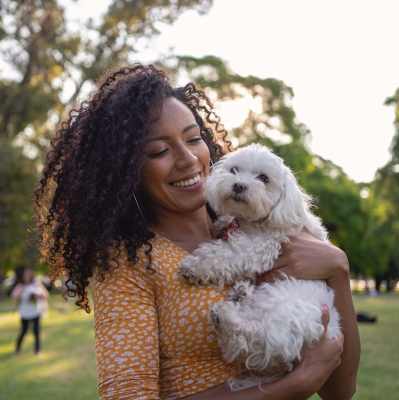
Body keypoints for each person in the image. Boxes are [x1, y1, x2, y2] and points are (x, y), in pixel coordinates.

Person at [34, 65, 360, 399]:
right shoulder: (127, 267)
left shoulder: (260, 230)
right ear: (127, 173)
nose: (188, 159)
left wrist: (337, 269)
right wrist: (292, 386)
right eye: (160, 151)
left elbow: (340, 392)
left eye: (194, 139)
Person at [11, 267, 48, 354]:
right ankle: (17, 348)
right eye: (26, 274)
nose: (27, 276)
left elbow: (45, 295)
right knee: (24, 331)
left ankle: (37, 350)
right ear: (23, 275)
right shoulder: (20, 286)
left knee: (36, 331)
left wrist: (38, 296)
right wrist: (20, 294)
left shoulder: (37, 284)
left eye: (29, 274)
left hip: (36, 311)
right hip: (25, 312)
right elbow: (14, 297)